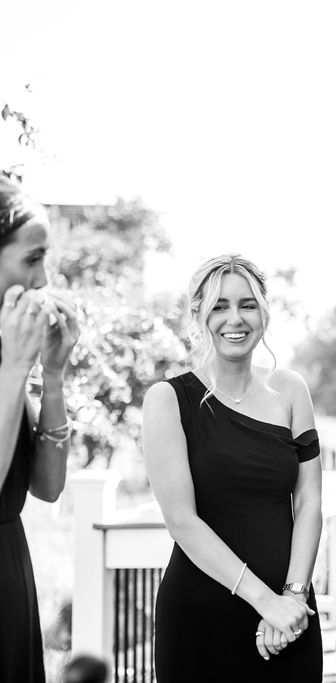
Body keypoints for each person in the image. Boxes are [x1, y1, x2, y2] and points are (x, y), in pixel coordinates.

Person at [143, 255, 323, 682]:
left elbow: (311, 501)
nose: (235, 318)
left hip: (290, 616)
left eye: (247, 304)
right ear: (197, 315)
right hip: (201, 617)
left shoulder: (291, 390)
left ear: (264, 311)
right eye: (220, 306)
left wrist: (292, 598)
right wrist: (266, 603)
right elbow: (182, 522)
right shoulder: (167, 400)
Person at [0, 177, 80, 683]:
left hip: (9, 570)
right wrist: (14, 368)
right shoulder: (8, 356)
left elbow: (47, 487)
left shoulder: (7, 348)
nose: (43, 278)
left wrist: (51, 375)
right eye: (32, 259)